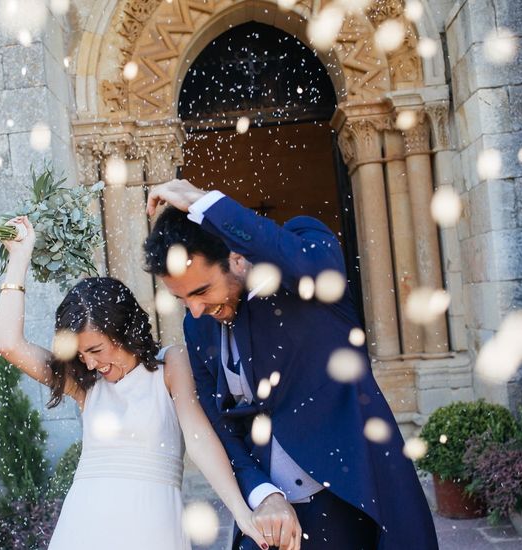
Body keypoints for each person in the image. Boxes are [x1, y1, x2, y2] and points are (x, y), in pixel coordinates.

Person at [143, 179, 439, 550]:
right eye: (182, 298)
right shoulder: (197, 325)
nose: (197, 308)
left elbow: (303, 260)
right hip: (272, 519)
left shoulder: (307, 265)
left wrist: (205, 203)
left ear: (236, 256)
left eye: (202, 291)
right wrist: (263, 493)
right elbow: (220, 426)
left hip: (357, 503)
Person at [0, 216, 268, 550]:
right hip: (84, 526)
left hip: (152, 527)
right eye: (81, 355)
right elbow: (8, 344)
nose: (90, 362)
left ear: (124, 333)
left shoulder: (171, 364)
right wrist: (19, 257)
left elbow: (198, 438)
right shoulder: (85, 384)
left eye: (95, 349)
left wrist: (242, 513)